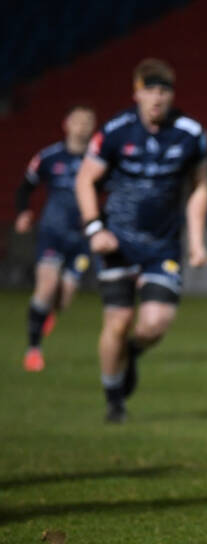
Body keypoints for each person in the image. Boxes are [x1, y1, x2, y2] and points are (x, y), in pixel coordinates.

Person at [75, 58, 207, 423]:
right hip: (117, 243)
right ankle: (114, 401)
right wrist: (95, 229)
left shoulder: (190, 133)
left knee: (155, 323)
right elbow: (85, 179)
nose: (157, 97)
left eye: (164, 90)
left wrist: (197, 242)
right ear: (136, 93)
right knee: (117, 322)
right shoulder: (116, 131)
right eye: (150, 90)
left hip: (162, 245)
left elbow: (199, 187)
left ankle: (132, 352)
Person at [15, 105, 97, 372]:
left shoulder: (98, 159)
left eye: (88, 121)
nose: (83, 126)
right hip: (53, 232)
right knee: (46, 287)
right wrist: (23, 213)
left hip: (82, 238)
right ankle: (33, 350)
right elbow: (25, 188)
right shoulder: (49, 157)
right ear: (66, 124)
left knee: (65, 298)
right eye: (78, 121)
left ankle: (49, 312)